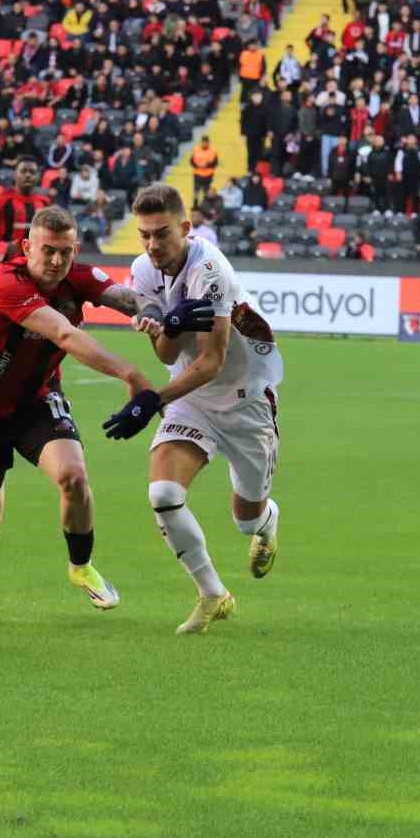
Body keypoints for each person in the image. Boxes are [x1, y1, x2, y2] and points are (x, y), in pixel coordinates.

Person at [0, 205, 204, 615]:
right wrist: (130, 374)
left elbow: (128, 298)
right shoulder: (4, 283)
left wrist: (157, 315)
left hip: (35, 401)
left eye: (65, 252)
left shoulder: (77, 276)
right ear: (28, 246)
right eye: (47, 250)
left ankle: (80, 567)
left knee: (74, 476)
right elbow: (64, 334)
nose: (55, 261)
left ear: (75, 248)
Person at [105, 183, 284, 635]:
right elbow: (168, 356)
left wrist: (149, 402)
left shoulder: (211, 271)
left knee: (246, 520)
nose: (152, 244)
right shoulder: (144, 269)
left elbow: (212, 360)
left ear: (185, 227)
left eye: (161, 233)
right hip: (191, 400)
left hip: (246, 402)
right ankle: (212, 594)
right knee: (163, 495)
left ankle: (267, 523)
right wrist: (166, 323)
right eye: (144, 234)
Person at [0, 158, 51, 271]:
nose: (28, 175)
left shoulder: (44, 203)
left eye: (32, 172)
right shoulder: (1, 200)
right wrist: (1, 246)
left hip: (33, 272)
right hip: (1, 270)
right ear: (15, 175)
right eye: (23, 171)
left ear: (38, 177)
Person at [190, 136, 219, 208]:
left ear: (208, 143)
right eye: (203, 142)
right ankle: (195, 205)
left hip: (208, 175)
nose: (205, 144)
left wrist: (206, 165)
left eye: (206, 142)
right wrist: (198, 166)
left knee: (206, 192)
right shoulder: (196, 150)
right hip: (197, 174)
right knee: (196, 191)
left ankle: (205, 206)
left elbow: (215, 163)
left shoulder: (213, 152)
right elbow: (191, 161)